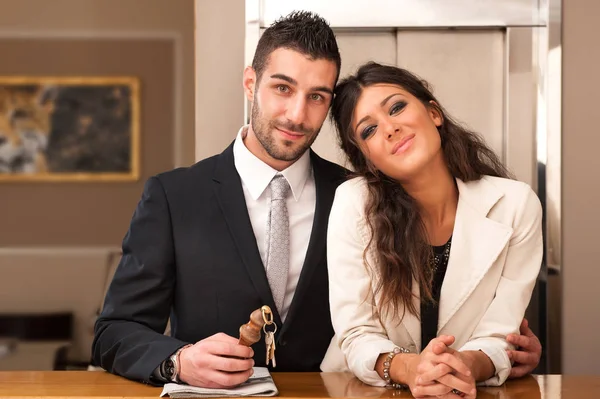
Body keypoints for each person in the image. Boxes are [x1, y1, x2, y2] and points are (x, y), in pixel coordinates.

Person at [91, 11, 542, 389]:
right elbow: (114, 331)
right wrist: (179, 360)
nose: (296, 114)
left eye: (317, 97)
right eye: (282, 88)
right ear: (251, 83)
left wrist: (494, 353)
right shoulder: (173, 196)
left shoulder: (366, 199)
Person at [320, 62, 543, 398]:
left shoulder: (516, 205)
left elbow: (499, 334)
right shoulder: (353, 203)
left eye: (397, 107)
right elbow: (356, 332)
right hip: (365, 390)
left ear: (434, 113)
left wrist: (465, 363)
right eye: (368, 131)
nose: (390, 128)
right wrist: (411, 368)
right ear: (368, 161)